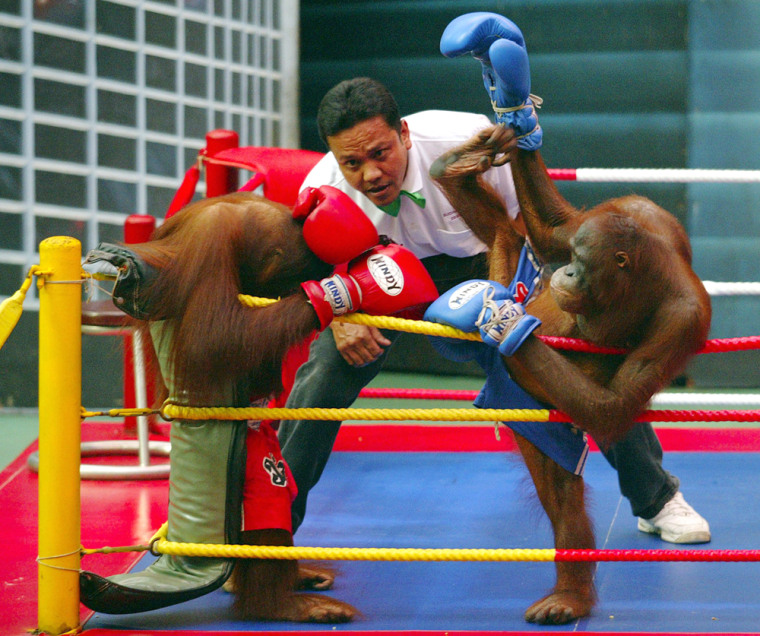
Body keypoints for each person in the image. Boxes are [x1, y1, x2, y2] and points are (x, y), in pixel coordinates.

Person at [278, 76, 710, 545]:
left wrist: (508, 300)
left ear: (403, 133)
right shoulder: (322, 188)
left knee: (580, 361)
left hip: (480, 259)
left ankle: (656, 499)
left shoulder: (460, 138)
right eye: (352, 163)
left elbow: (520, 220)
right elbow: (304, 272)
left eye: (380, 153)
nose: (370, 174)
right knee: (321, 376)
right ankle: (271, 533)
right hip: (374, 278)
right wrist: (340, 320)